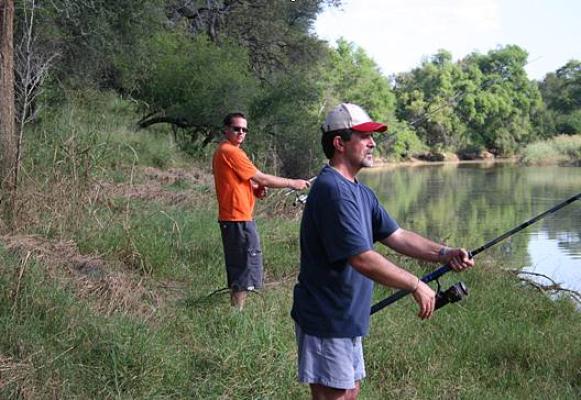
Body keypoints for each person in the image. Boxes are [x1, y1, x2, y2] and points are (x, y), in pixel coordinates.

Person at [290, 103, 475, 399]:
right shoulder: (332, 190)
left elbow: (398, 235)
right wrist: (415, 284)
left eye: (372, 136)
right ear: (339, 143)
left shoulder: (360, 191)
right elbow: (362, 258)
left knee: (350, 392)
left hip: (346, 317)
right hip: (327, 316)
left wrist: (445, 252)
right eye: (364, 136)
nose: (373, 143)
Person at [213, 112, 310, 310]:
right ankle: (237, 315)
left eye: (244, 129)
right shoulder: (230, 151)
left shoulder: (228, 151)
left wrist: (254, 189)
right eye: (236, 128)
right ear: (226, 130)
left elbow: (245, 179)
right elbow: (262, 178)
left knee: (241, 265)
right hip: (237, 218)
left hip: (235, 217)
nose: (241, 132)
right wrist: (293, 182)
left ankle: (236, 311)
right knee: (244, 267)